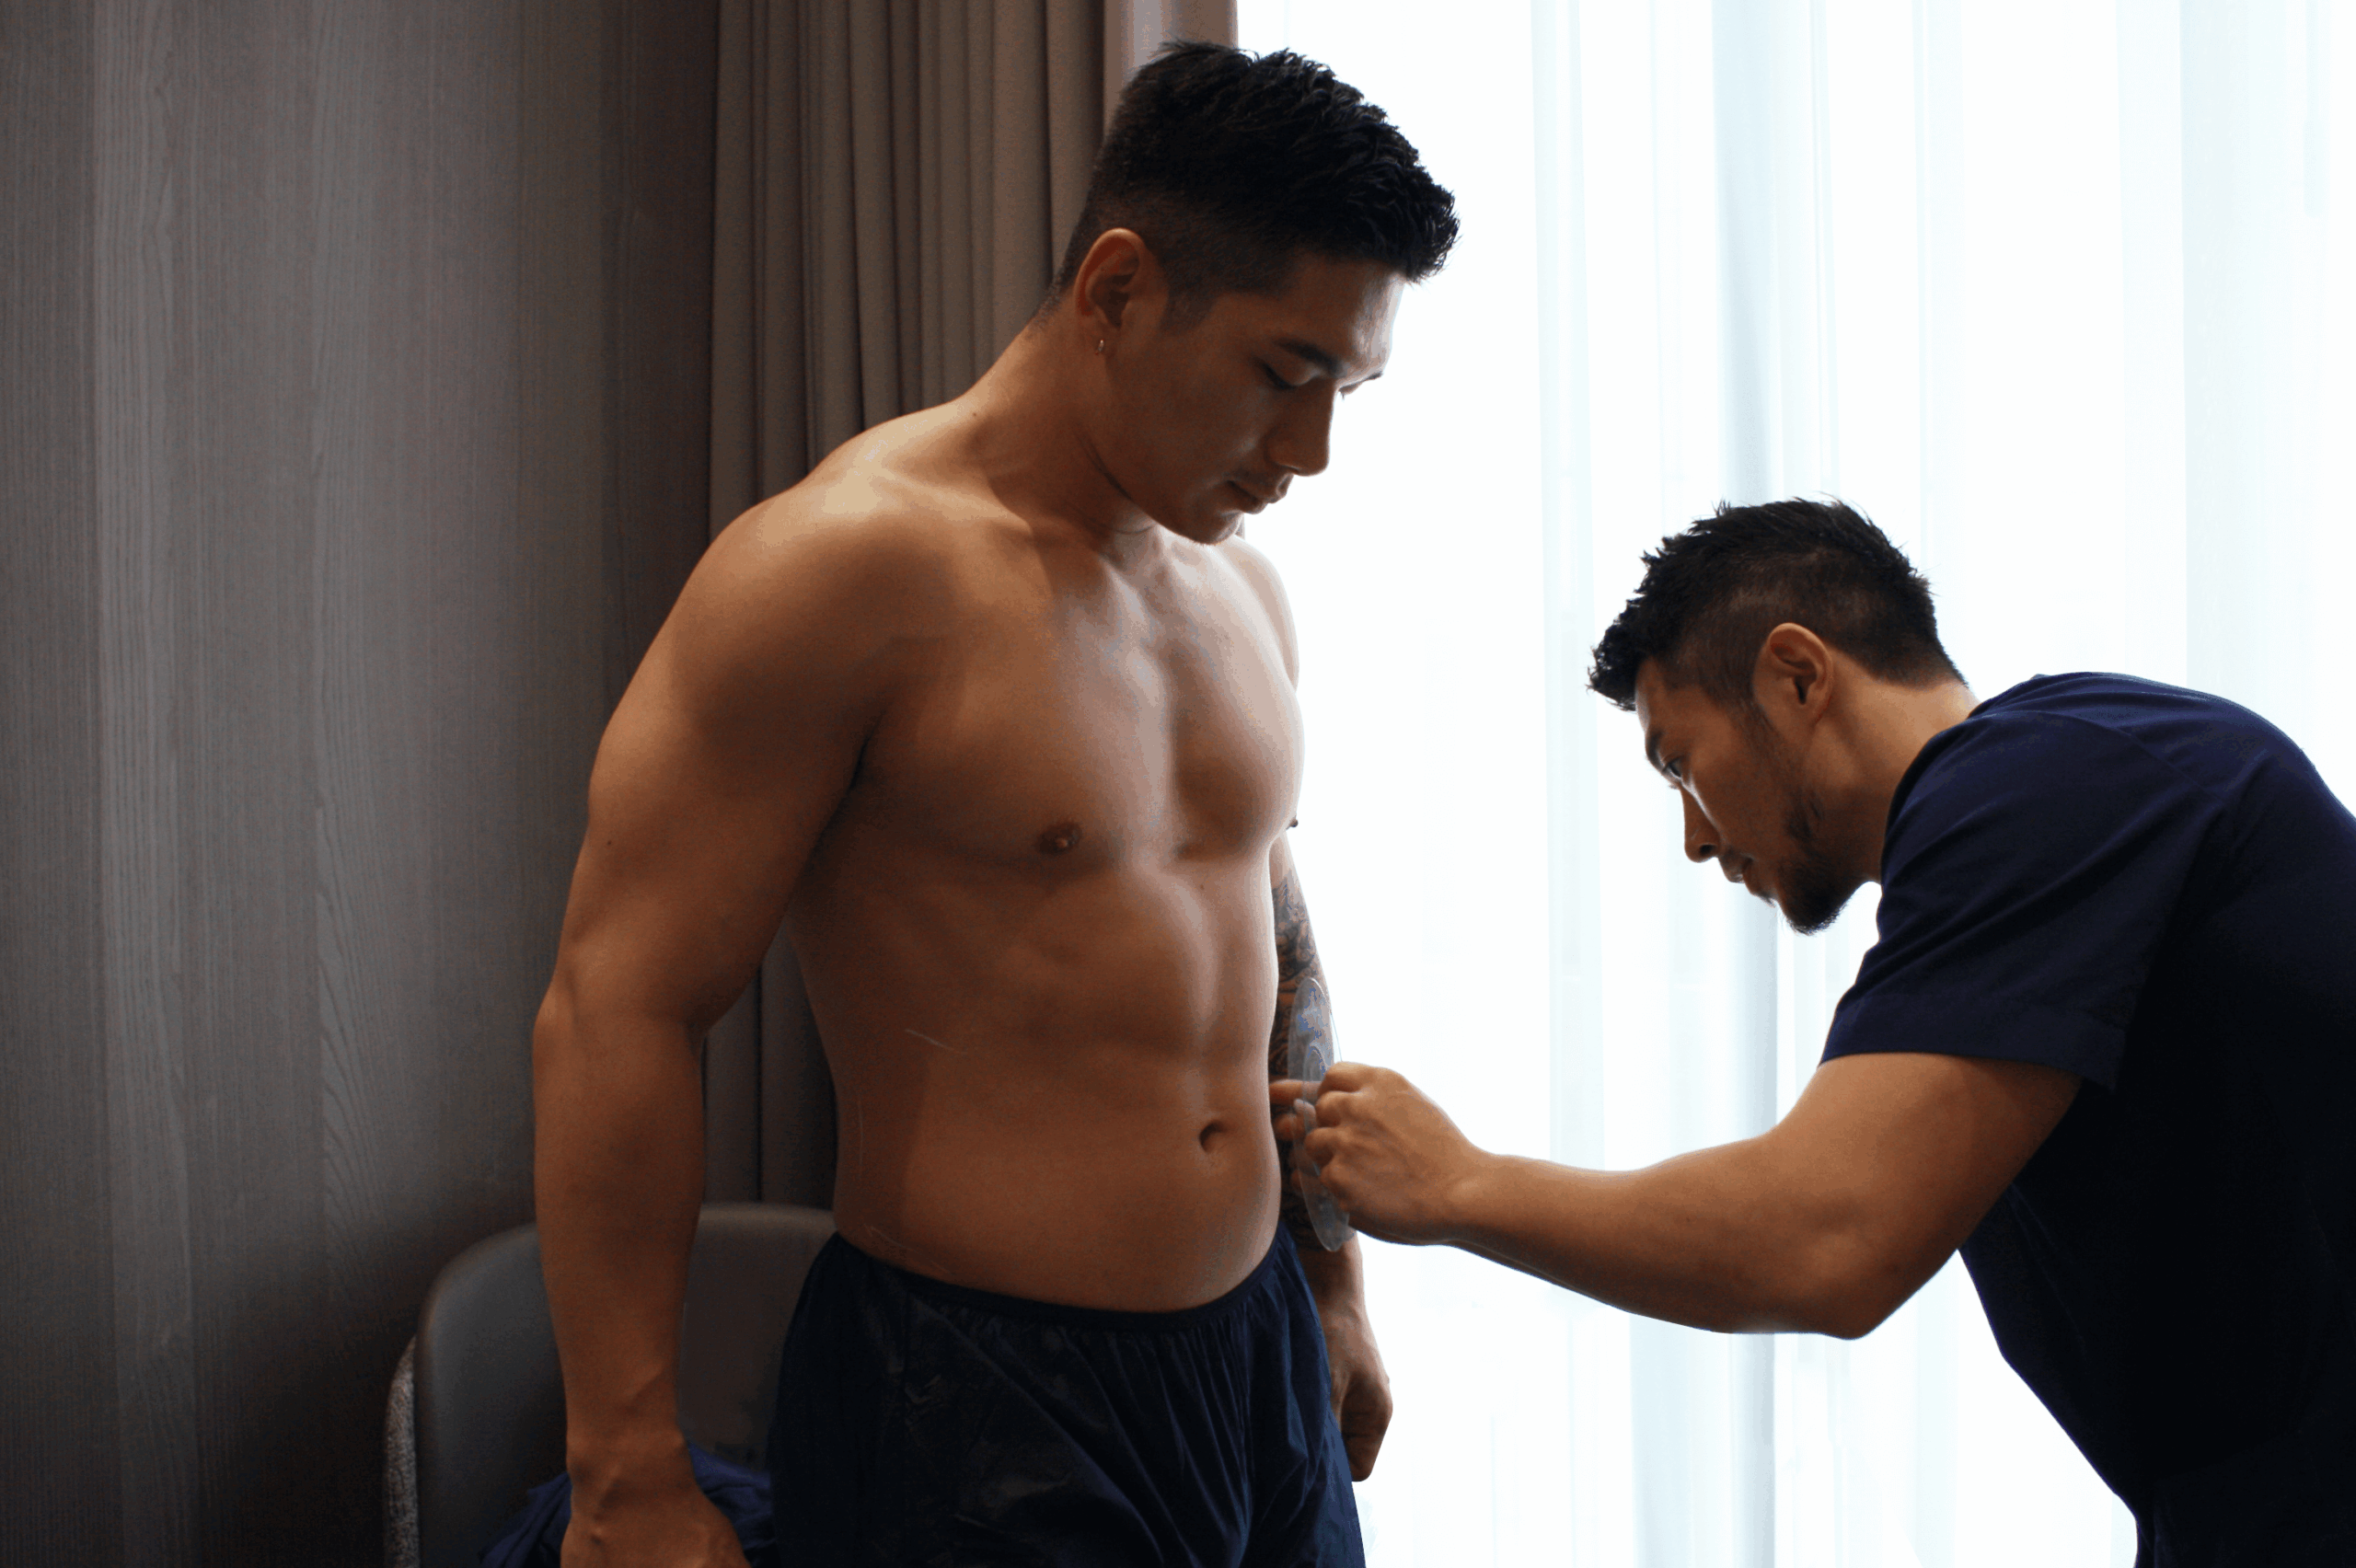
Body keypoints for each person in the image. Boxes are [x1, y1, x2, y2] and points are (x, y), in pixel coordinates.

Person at [522, 42, 1458, 1568]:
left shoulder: (1244, 594)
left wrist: (1334, 1286)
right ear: (1117, 288)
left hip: (1257, 1356)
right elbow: (617, 1003)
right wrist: (623, 1466)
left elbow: (1271, 941)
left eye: (1345, 392)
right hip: (975, 1397)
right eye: (1284, 377)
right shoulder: (839, 571)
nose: (1312, 454)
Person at [1277, 500, 2356, 1564]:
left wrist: (1458, 1183)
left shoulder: (2044, 783)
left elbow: (1826, 1239)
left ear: (1797, 676)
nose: (1695, 838)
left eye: (1678, 763)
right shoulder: (2057, 791)